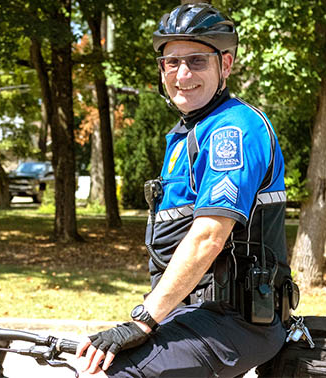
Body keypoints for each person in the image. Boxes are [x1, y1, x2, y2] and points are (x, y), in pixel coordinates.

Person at [75, 3, 291, 376]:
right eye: (171, 63)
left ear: (225, 65)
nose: (182, 74)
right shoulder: (186, 136)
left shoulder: (232, 131)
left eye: (197, 61)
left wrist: (142, 321)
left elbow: (209, 236)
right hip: (195, 313)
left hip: (236, 321)